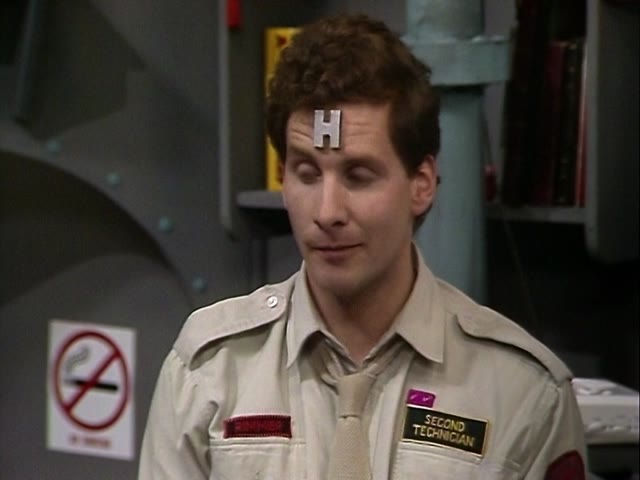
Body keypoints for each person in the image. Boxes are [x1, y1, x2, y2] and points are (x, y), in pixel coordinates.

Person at [138, 13, 587, 480]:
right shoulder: (210, 369)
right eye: (307, 174)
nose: (327, 211)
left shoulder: (523, 393)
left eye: (358, 176)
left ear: (421, 184)